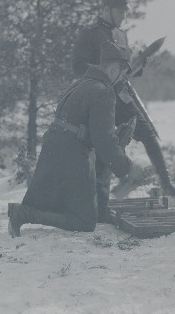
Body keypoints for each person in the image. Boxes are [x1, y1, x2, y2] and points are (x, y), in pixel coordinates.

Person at [8, 41, 144, 237]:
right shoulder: (104, 91)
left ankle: (25, 212)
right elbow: (103, 141)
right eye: (122, 74)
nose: (121, 79)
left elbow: (87, 128)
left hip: (56, 148)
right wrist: (128, 168)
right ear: (114, 68)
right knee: (84, 222)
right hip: (72, 156)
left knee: (69, 205)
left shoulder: (80, 83)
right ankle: (23, 213)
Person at [73, 0, 175, 221]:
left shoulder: (122, 36)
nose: (124, 16)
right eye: (120, 11)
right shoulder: (89, 34)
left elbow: (125, 68)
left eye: (126, 11)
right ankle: (99, 203)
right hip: (99, 98)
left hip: (122, 97)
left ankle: (166, 184)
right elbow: (78, 67)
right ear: (105, 9)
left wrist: (138, 64)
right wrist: (104, 75)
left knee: (148, 135)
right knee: (107, 147)